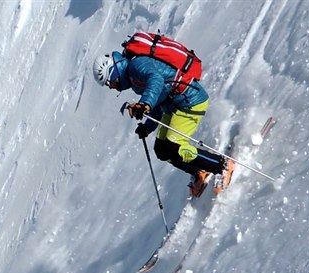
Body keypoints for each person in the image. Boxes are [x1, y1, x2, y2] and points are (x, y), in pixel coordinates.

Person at [92, 51, 234, 196]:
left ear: (114, 71)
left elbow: (156, 80)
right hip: (174, 104)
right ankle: (199, 172)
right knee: (161, 149)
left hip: (190, 100)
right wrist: (147, 127)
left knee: (174, 147)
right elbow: (159, 100)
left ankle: (222, 165)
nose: (111, 86)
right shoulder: (133, 78)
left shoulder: (136, 65)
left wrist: (144, 103)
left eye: (109, 81)